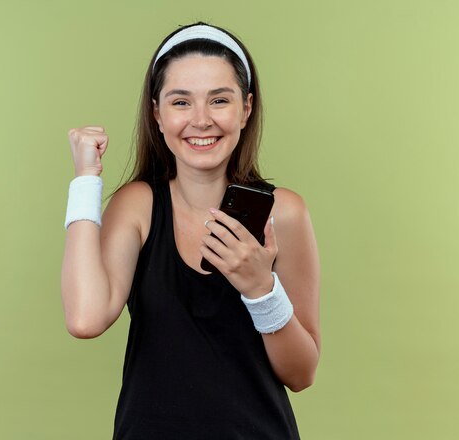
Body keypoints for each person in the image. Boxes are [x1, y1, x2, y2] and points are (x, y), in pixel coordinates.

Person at [60, 22, 320, 439]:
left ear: (246, 109)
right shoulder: (137, 205)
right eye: (181, 102)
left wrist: (260, 288)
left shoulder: (283, 212)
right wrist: (86, 181)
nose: (201, 120)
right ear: (157, 114)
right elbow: (85, 317)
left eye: (219, 100)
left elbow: (302, 373)